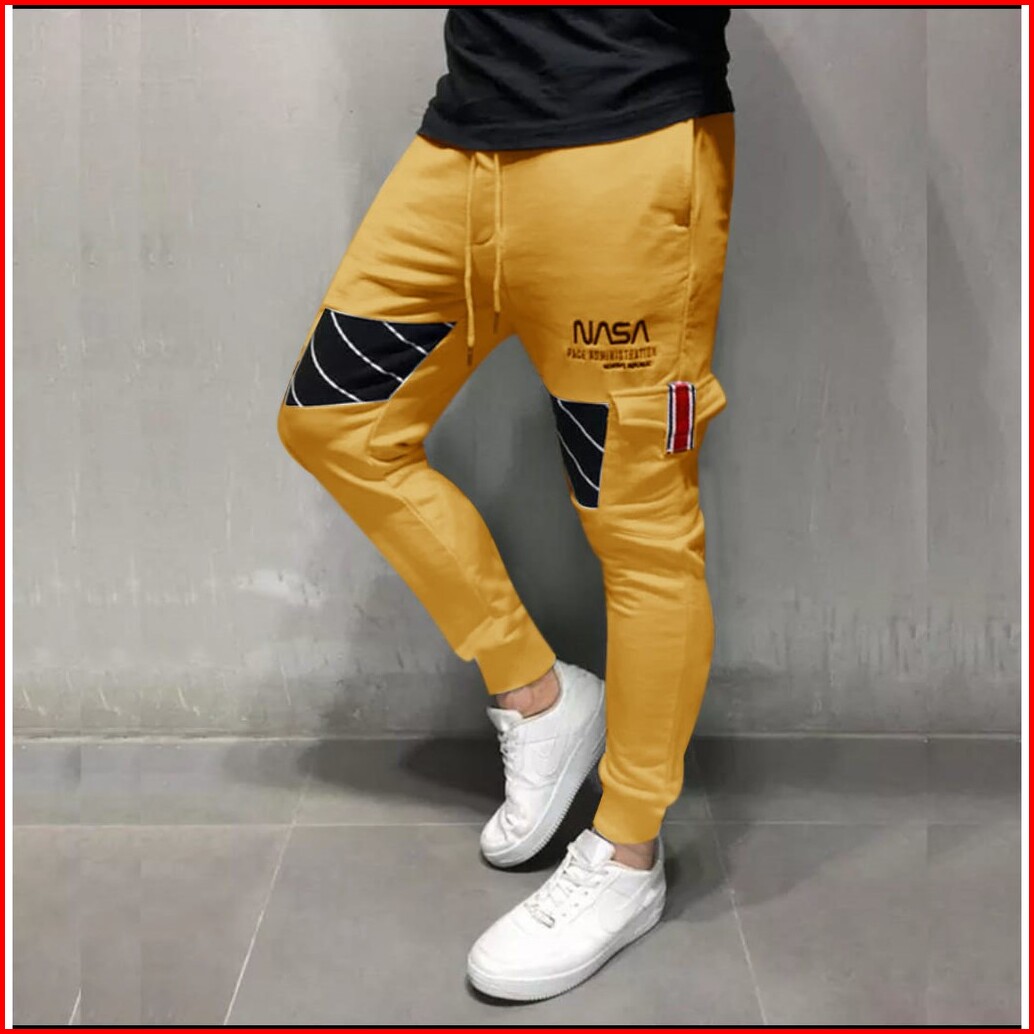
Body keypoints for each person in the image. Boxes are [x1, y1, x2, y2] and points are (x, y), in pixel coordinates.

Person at [277, 6, 735, 1002]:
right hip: (464, 142)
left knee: (639, 526)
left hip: (626, 146)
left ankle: (627, 853)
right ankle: (539, 694)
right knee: (336, 421)